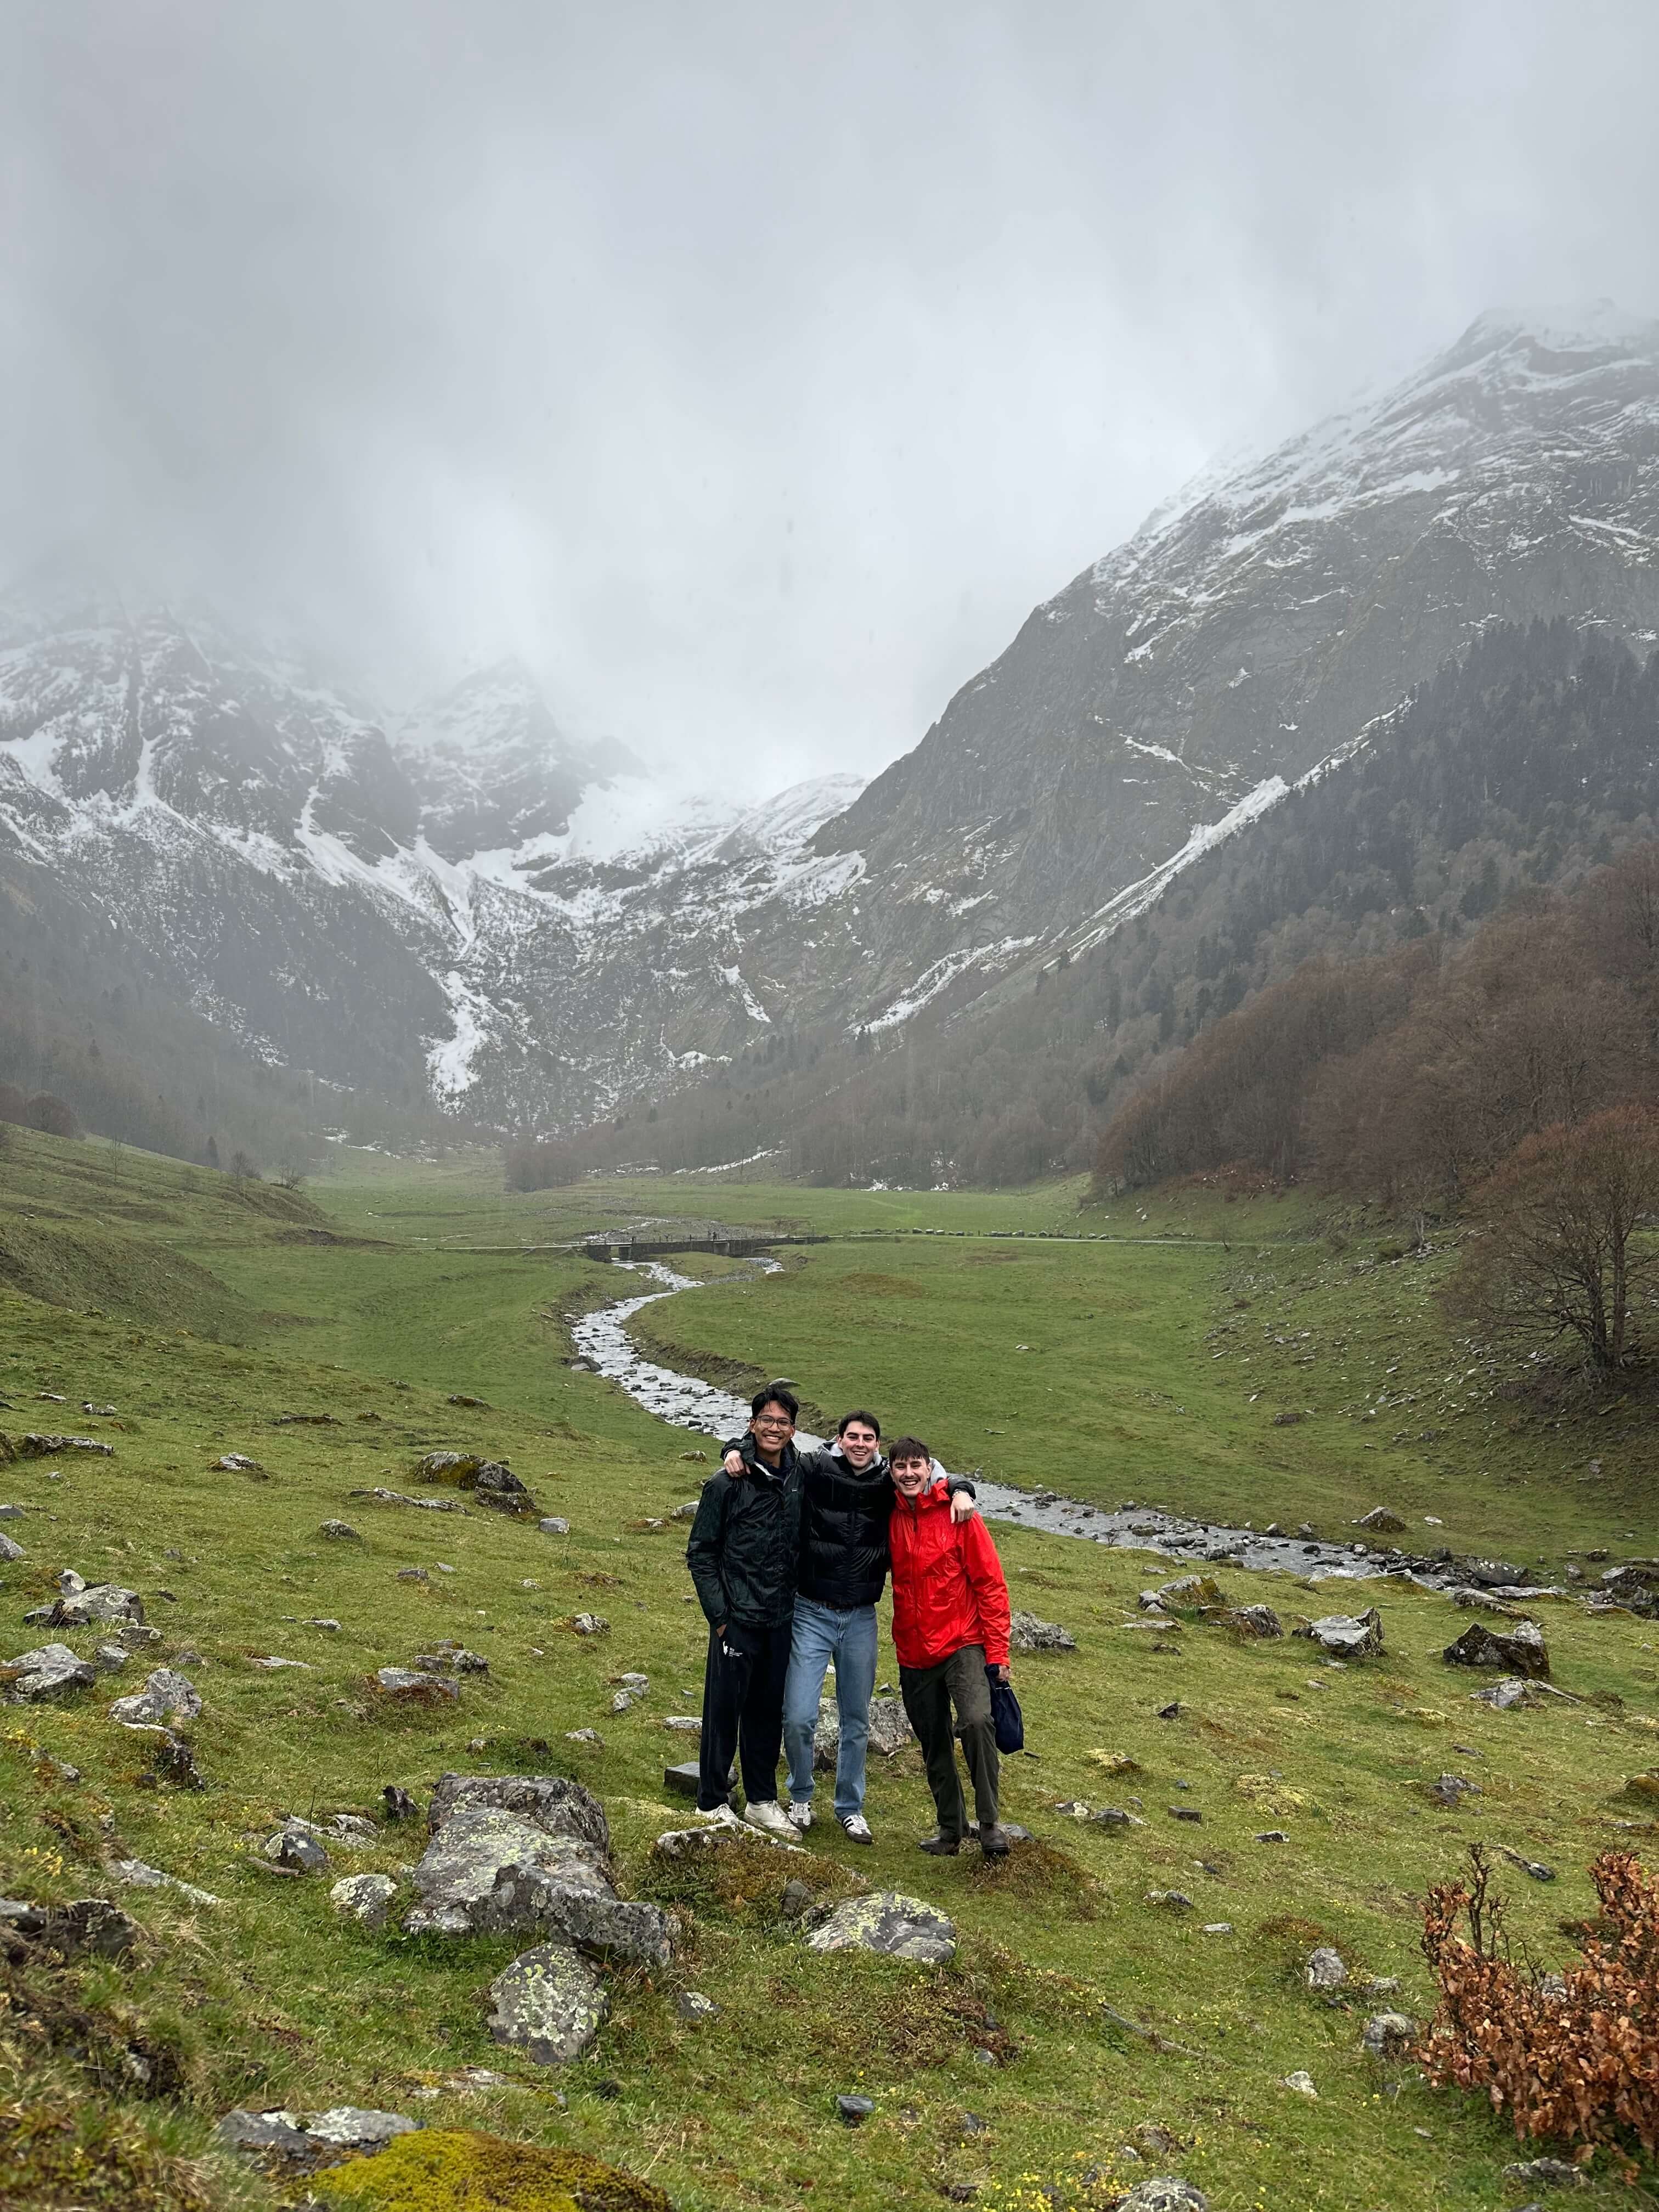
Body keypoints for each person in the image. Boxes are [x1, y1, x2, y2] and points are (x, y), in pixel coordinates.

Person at [720, 1407, 976, 1845]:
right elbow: (772, 1447)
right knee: (799, 1716)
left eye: (869, 1438)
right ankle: (800, 1796)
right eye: (852, 1437)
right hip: (811, 1611)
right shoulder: (814, 1466)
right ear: (838, 1440)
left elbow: (927, 1474)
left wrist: (961, 1487)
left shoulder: (887, 1481)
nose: (860, 1444)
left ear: (878, 1444)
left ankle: (849, 1808)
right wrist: (734, 1448)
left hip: (860, 1616)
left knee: (856, 1719)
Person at [886, 1435, 1013, 1859]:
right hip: (913, 1648)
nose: (908, 1474)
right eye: (900, 1467)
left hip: (963, 1642)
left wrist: (998, 1654)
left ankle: (991, 1824)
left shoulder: (960, 1514)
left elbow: (991, 1586)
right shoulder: (885, 1511)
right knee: (933, 1742)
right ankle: (951, 1829)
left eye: (915, 1466)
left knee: (977, 1722)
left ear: (929, 1469)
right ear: (891, 1472)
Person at [685, 1385, 804, 1837]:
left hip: (779, 1617)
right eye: (767, 1420)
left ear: (794, 1430)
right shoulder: (726, 1483)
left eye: (783, 1422)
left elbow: (859, 1459)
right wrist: (719, 1618)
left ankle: (760, 1800)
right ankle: (711, 1801)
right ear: (752, 1424)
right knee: (723, 1710)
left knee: (766, 1711)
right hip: (735, 1619)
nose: (775, 1428)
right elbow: (701, 1553)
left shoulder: (799, 1475)